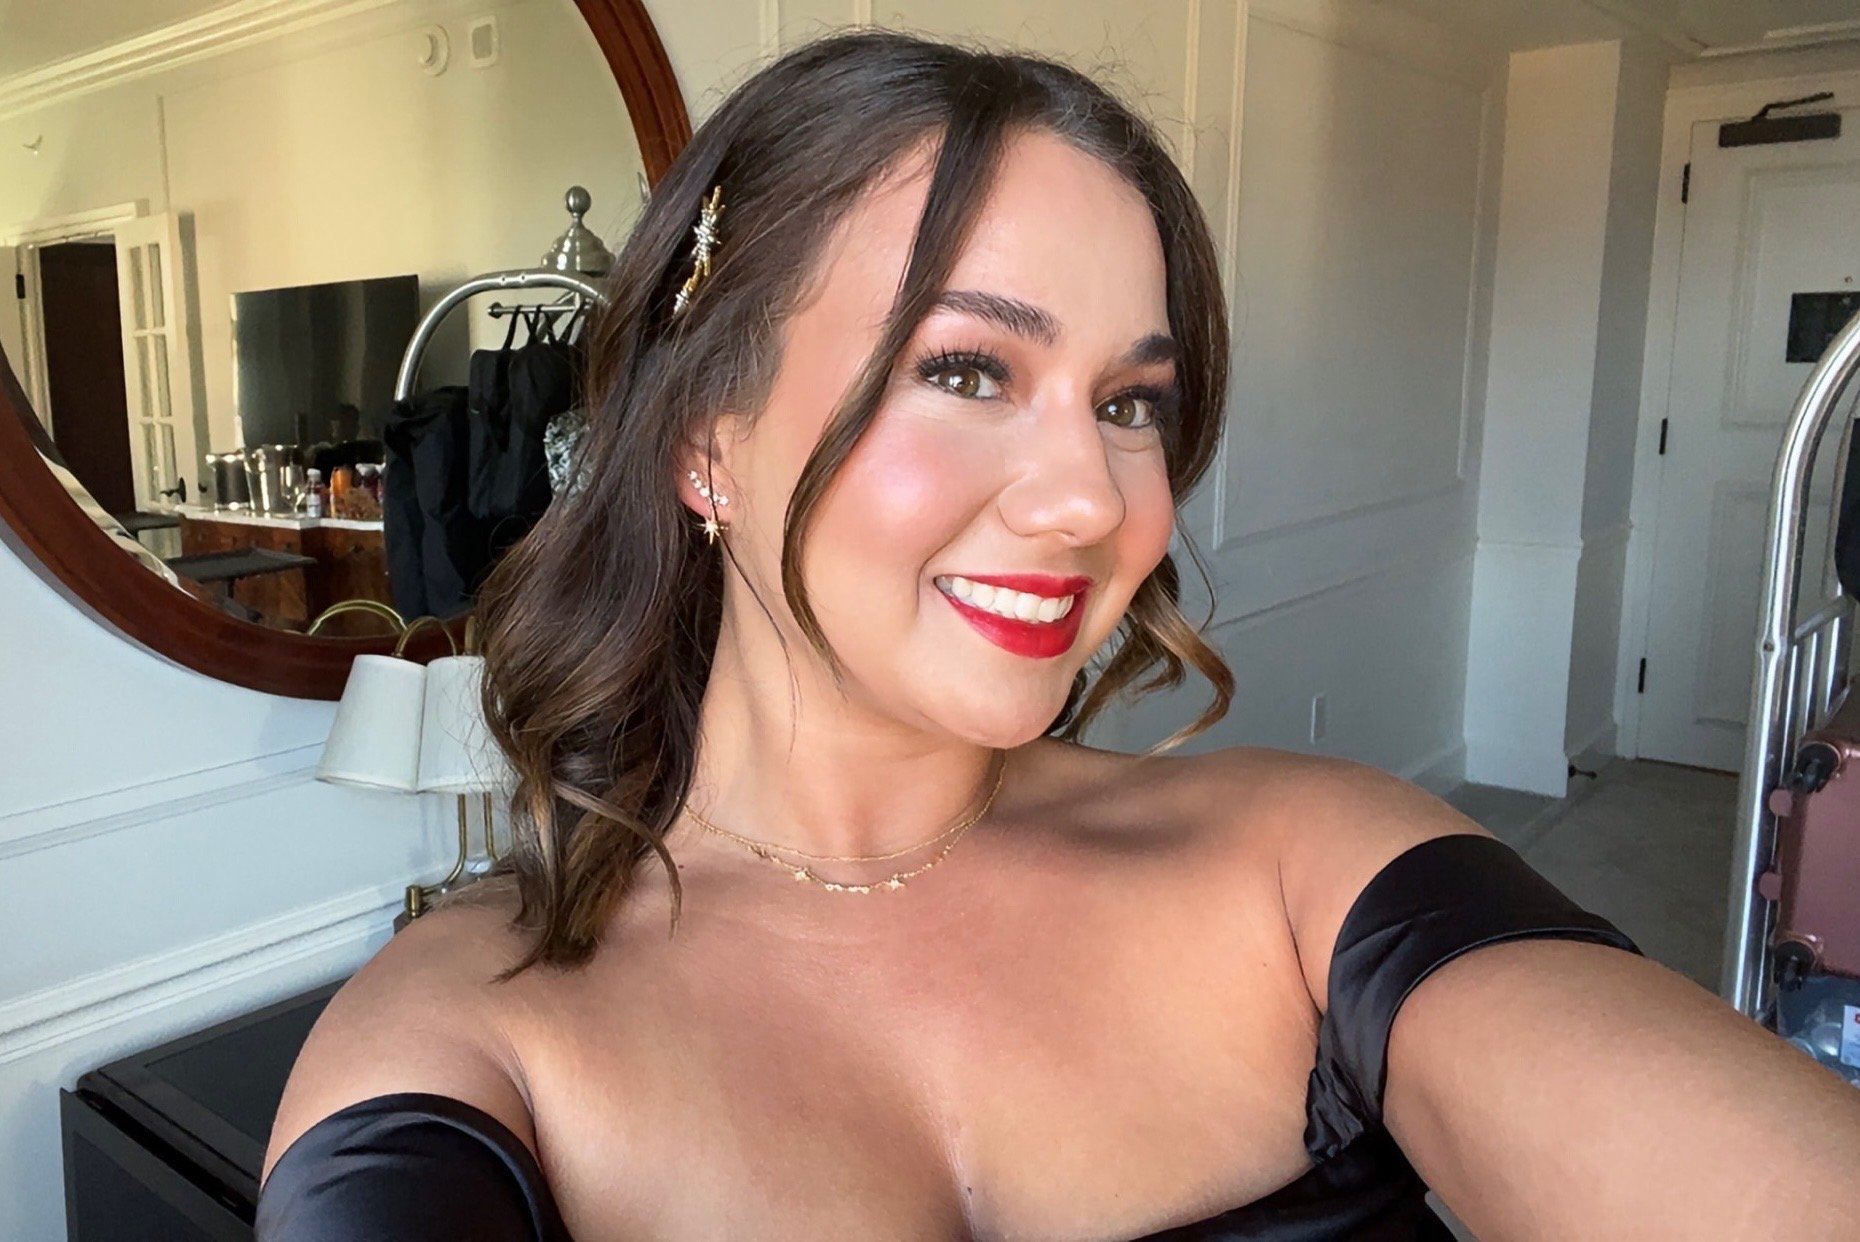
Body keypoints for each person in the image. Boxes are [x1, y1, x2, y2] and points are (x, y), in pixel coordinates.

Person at [255, 31, 1860, 1240]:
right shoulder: (470, 1046)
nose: (1093, 497)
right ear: (707, 440)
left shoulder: (1310, 865)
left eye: (1130, 403)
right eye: (966, 370)